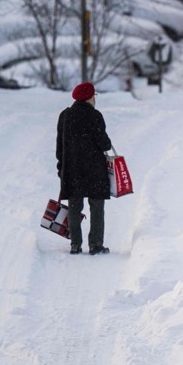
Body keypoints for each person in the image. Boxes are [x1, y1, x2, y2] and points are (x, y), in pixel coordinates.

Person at [56, 82, 113, 255]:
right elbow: (104, 144)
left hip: (72, 169)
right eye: (94, 95)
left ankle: (75, 244)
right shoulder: (95, 116)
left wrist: (61, 166)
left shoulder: (65, 116)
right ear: (89, 97)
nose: (95, 98)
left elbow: (60, 145)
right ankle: (95, 245)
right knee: (96, 207)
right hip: (94, 169)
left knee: (74, 207)